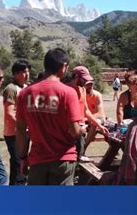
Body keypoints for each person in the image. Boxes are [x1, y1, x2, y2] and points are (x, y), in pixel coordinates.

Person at [15, 48, 84, 185]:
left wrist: (22, 158)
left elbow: (21, 131)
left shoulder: (25, 93)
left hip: (37, 160)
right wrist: (83, 130)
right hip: (63, 159)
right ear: (63, 66)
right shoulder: (68, 92)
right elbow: (75, 131)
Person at [67, 66, 109, 161]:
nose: (85, 82)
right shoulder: (66, 89)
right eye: (84, 79)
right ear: (76, 77)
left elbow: (86, 110)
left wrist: (99, 125)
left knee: (79, 157)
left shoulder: (82, 90)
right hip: (70, 129)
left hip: (81, 129)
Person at [2, 60, 30, 185]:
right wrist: (23, 126)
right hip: (13, 132)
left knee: (24, 159)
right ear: (15, 74)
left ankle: (21, 182)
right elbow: (9, 113)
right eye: (23, 72)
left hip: (24, 130)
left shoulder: (26, 87)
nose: (27, 74)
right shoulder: (11, 89)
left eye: (28, 71)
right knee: (17, 161)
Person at [84, 79, 106, 150]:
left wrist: (89, 119)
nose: (89, 86)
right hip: (85, 119)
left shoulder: (97, 95)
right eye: (87, 85)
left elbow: (100, 113)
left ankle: (83, 148)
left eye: (91, 84)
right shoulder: (81, 96)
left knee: (95, 123)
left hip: (98, 119)